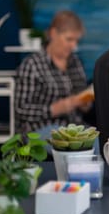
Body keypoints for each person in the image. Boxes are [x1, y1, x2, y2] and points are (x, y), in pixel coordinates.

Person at [14, 10, 93, 143]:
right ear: (53, 33)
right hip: (39, 129)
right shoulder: (32, 65)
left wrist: (84, 102)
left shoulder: (76, 62)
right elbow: (21, 109)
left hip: (74, 128)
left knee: (100, 144)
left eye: (76, 41)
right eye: (69, 39)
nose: (74, 46)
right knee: (69, 147)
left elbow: (81, 95)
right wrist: (54, 109)